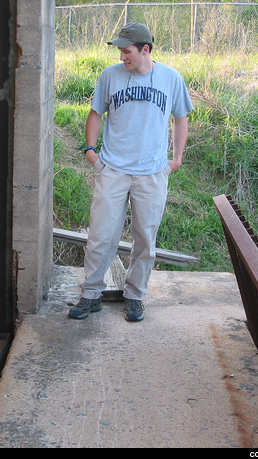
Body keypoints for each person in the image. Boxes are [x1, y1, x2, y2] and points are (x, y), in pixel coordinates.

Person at [68, 22, 194, 321]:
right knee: (101, 234)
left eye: (127, 51)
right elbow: (95, 113)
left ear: (145, 50)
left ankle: (135, 295)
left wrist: (175, 160)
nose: (122, 57)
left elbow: (180, 118)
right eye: (121, 51)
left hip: (151, 172)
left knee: (145, 239)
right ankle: (91, 294)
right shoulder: (110, 76)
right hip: (112, 168)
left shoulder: (171, 78)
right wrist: (90, 151)